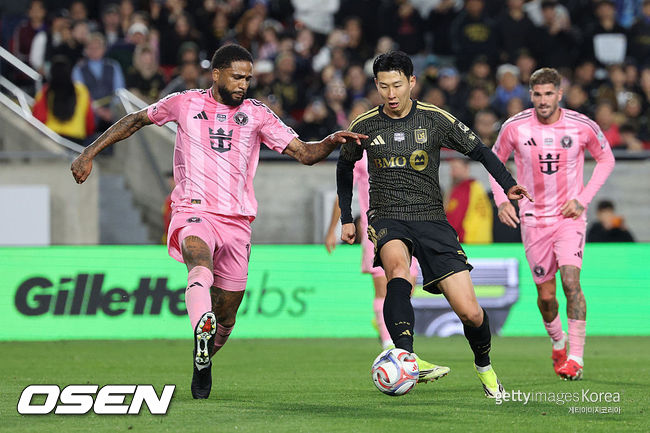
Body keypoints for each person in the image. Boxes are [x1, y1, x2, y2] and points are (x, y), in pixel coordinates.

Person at [71, 44, 365, 400]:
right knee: (198, 260)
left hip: (237, 221)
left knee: (226, 316)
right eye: (237, 77)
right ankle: (200, 324)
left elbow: (304, 153)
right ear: (216, 74)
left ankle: (204, 356)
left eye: (248, 79)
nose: (244, 84)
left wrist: (332, 140)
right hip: (193, 209)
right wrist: (89, 152)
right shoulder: (184, 102)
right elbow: (135, 119)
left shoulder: (257, 114)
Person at [337, 51, 532, 398]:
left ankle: (485, 367)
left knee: (471, 313)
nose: (391, 94)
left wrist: (507, 184)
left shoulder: (434, 119)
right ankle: (406, 357)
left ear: (412, 82)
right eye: (384, 86)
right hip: (387, 215)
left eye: (397, 85)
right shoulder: (364, 125)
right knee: (398, 271)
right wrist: (346, 218)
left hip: (431, 217)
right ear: (376, 86)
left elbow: (479, 150)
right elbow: (344, 166)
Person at [489, 67, 615, 381]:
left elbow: (606, 159)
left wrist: (583, 199)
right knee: (547, 297)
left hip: (569, 218)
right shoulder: (515, 127)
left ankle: (576, 358)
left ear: (560, 94)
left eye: (549, 94)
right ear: (530, 95)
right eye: (537, 94)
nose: (543, 100)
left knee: (571, 282)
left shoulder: (581, 125)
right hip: (533, 221)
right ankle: (558, 342)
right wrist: (502, 200)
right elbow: (494, 162)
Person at [325, 103, 451, 383]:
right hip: (376, 229)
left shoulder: (389, 146)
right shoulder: (358, 156)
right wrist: (336, 226)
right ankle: (392, 347)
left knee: (405, 289)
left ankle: (391, 334)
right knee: (385, 286)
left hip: (409, 227)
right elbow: (342, 191)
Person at [32, 55, 95, 144]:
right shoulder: (81, 90)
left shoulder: (46, 91)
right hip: (76, 139)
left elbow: (39, 118)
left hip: (52, 137)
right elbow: (89, 119)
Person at [445, 158, 493, 244]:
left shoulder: (464, 189)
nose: (452, 173)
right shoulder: (476, 186)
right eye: (451, 168)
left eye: (455, 168)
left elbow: (454, 218)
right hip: (483, 240)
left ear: (466, 168)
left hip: (467, 241)